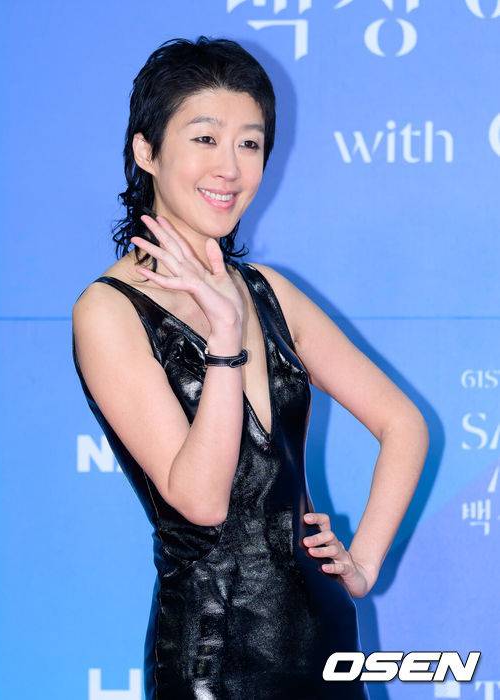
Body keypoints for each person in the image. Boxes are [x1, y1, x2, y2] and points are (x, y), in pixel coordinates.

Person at [71, 36, 428, 699]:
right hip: (213, 656)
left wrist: (362, 563)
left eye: (250, 143)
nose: (230, 168)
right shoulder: (109, 310)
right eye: (205, 139)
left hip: (325, 640)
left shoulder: (270, 291)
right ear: (146, 151)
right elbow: (202, 502)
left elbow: (403, 424)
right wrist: (225, 338)